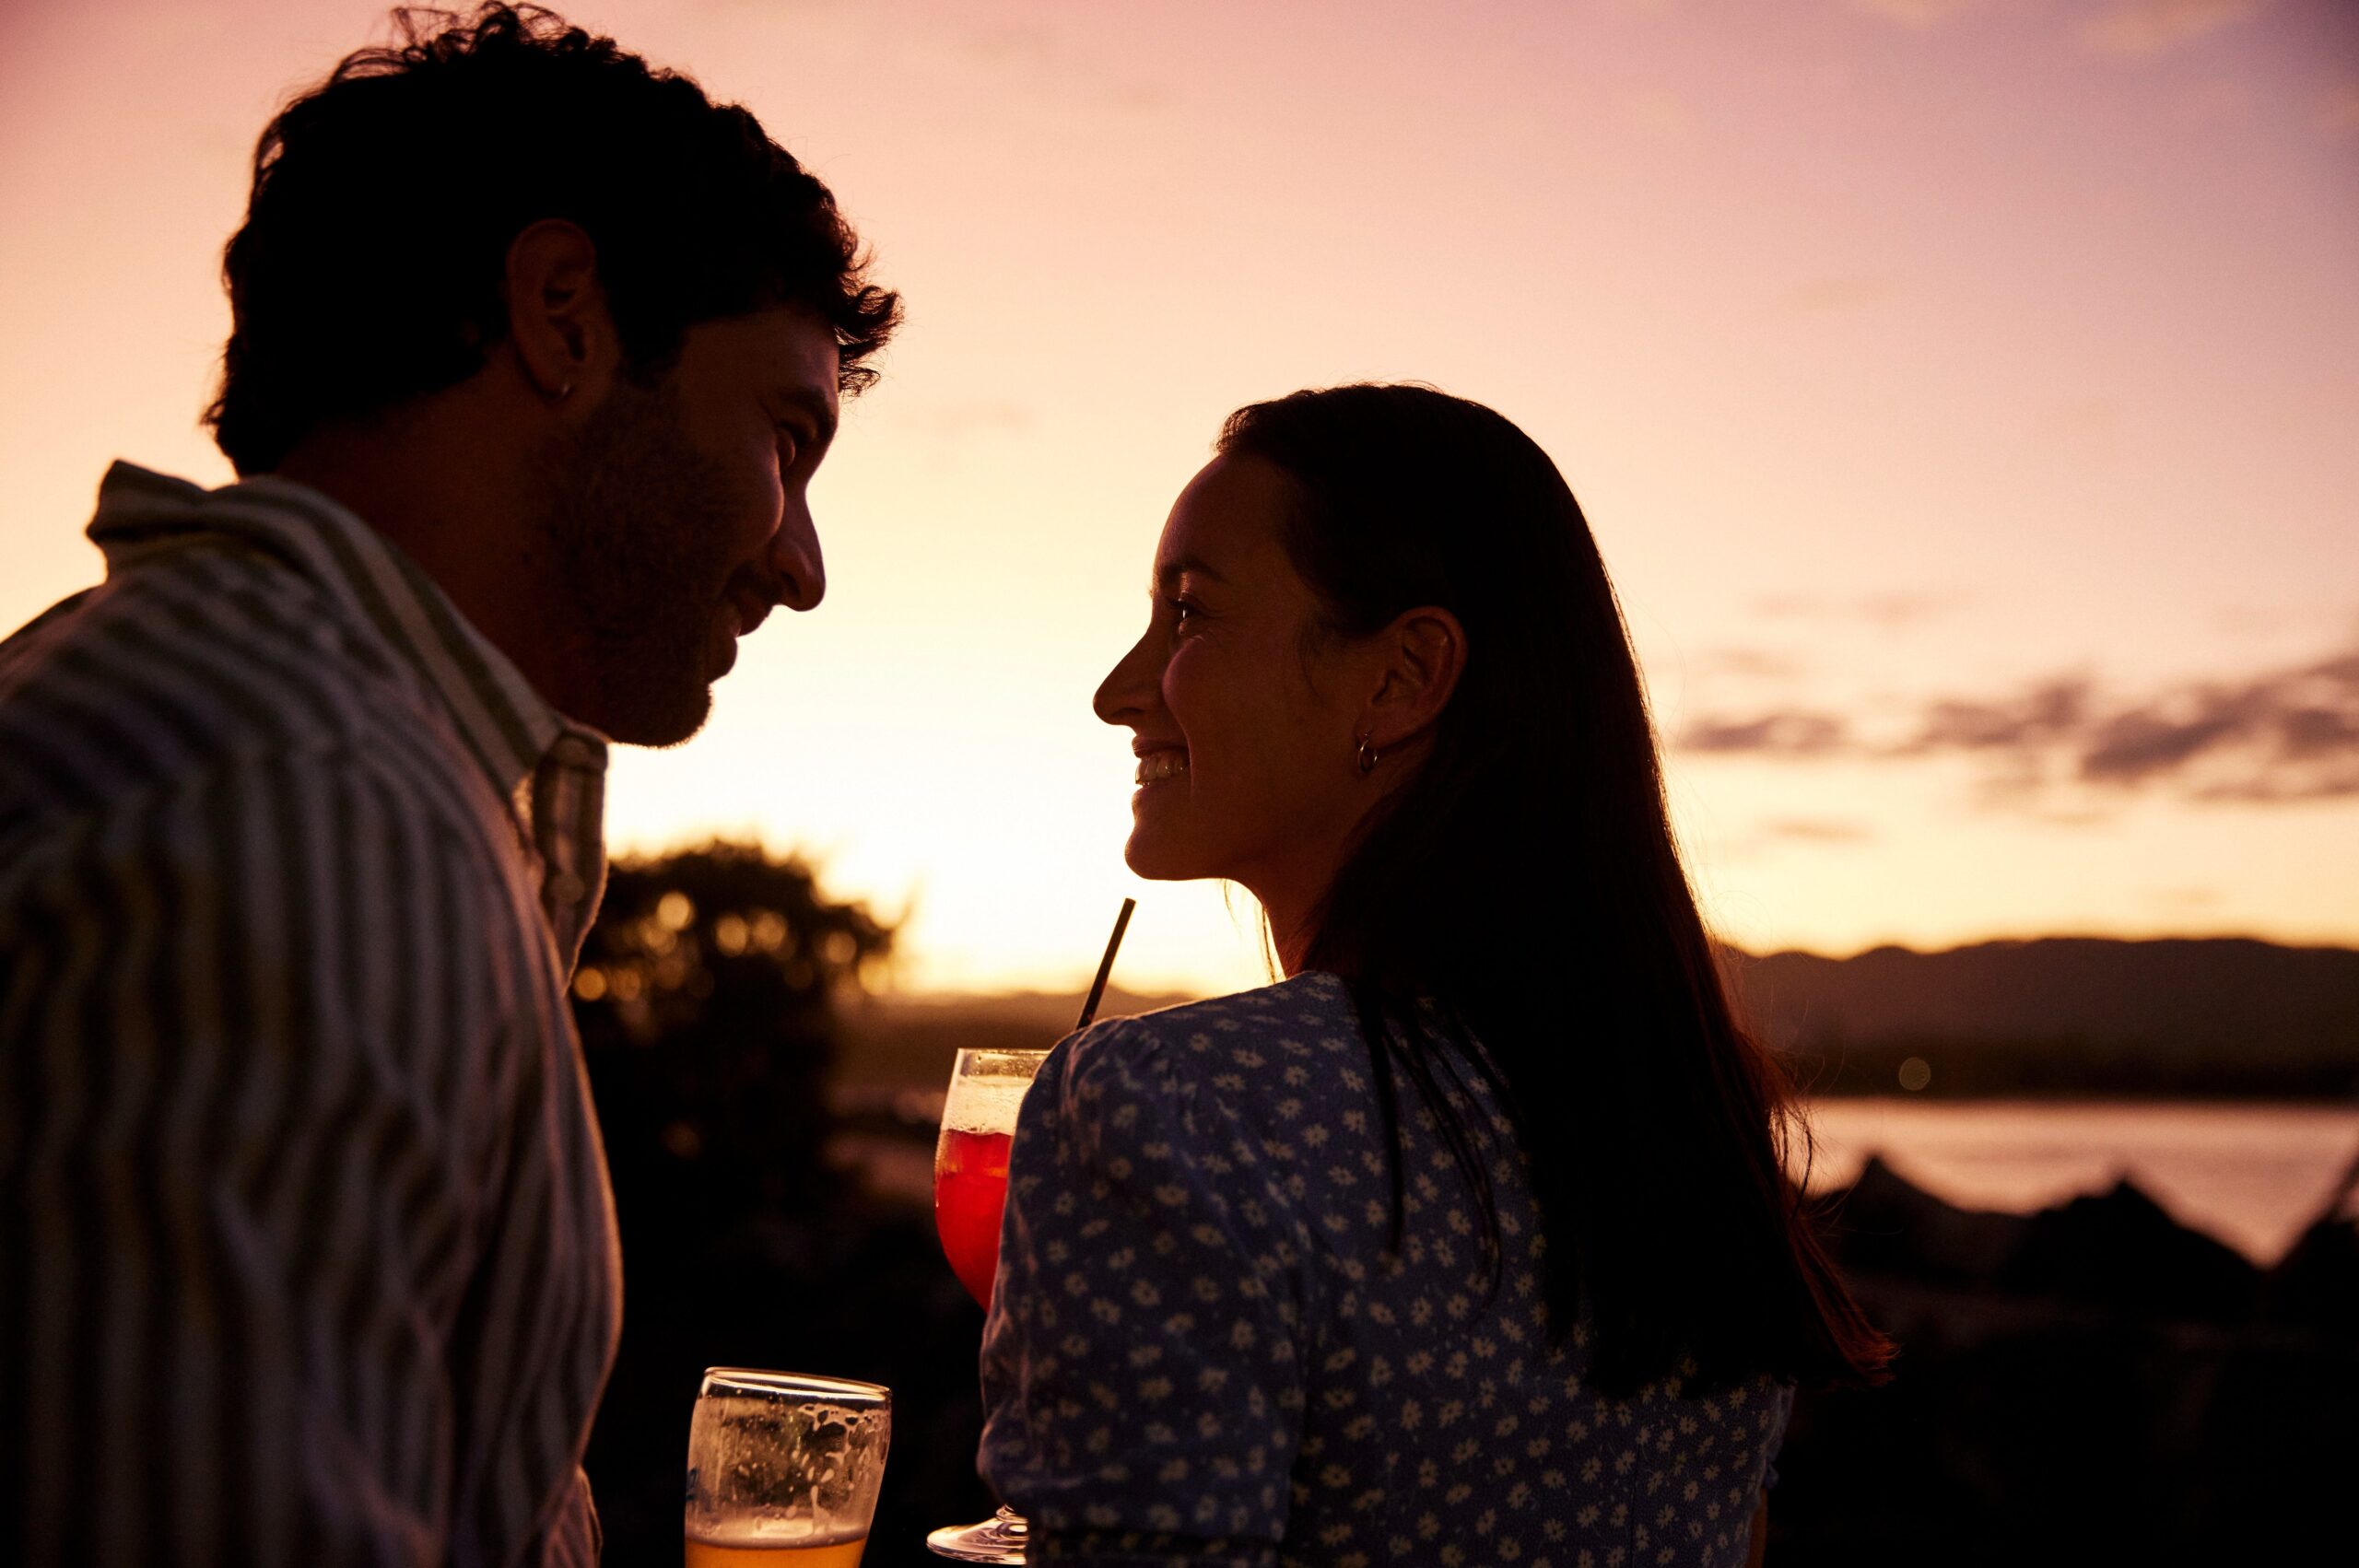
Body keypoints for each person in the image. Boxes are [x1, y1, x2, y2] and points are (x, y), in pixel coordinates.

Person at [0, 6, 897, 1563]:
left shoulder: (276, 743)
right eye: (785, 435)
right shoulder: (305, 807)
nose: (801, 566)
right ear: (563, 316)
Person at [978, 384, 1891, 1567]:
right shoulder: (1686, 1132)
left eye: (1189, 613)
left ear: (1403, 677)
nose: (1120, 689)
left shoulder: (1174, 1110)